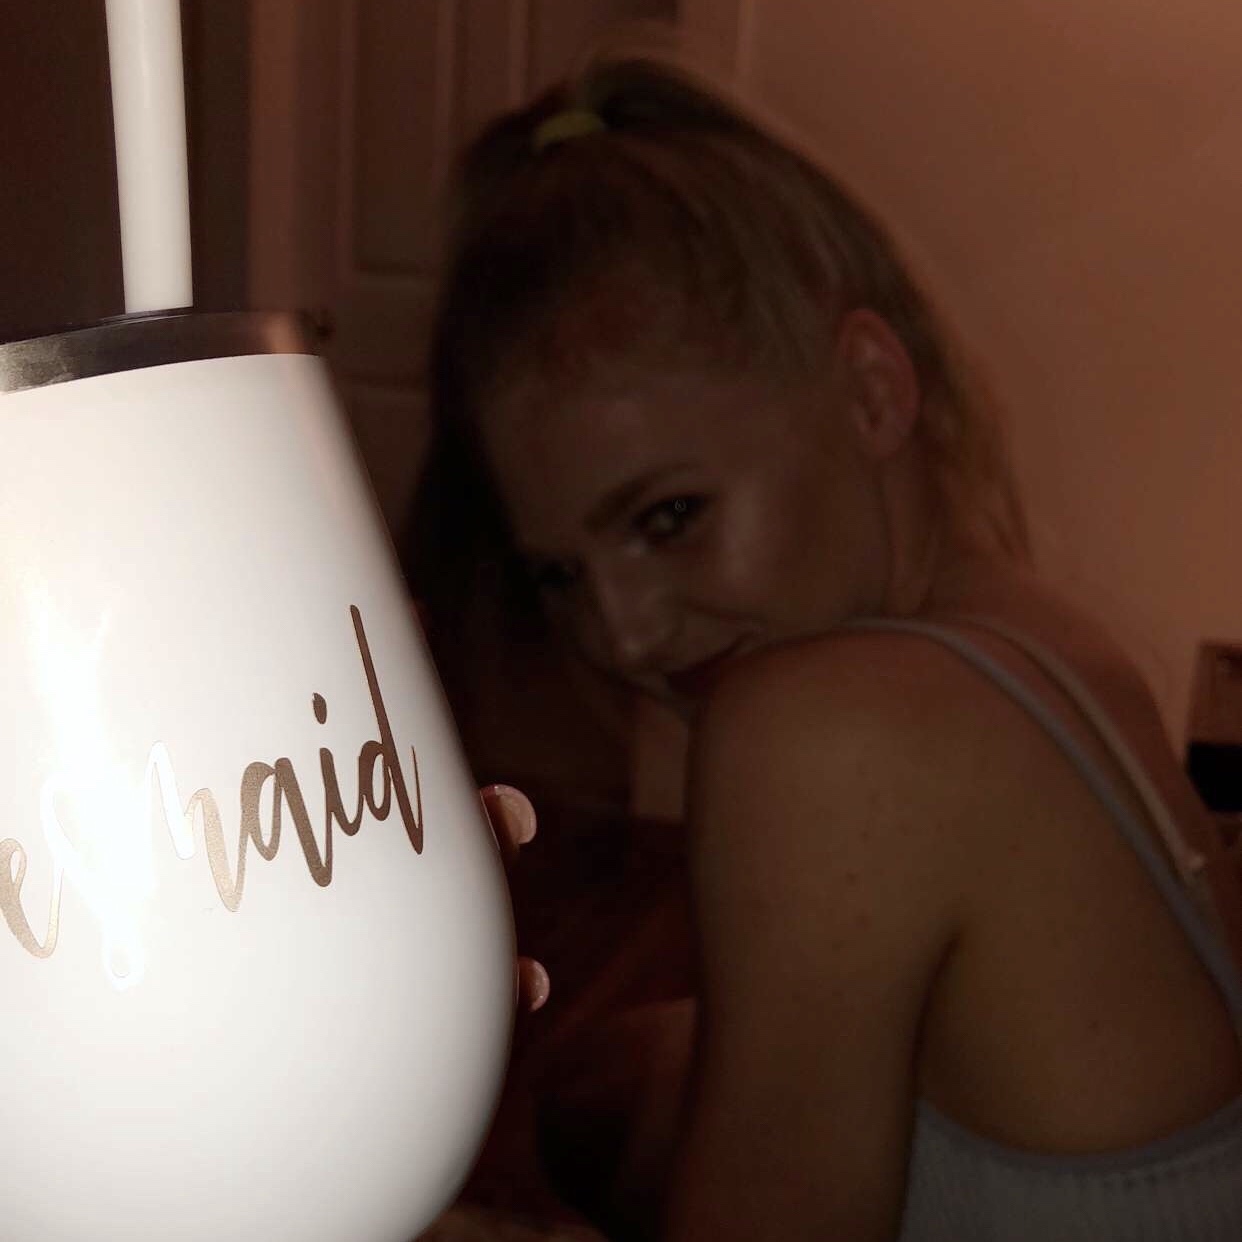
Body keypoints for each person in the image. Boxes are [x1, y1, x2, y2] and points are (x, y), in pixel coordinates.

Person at [410, 35, 1242, 1242]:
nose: (623, 634)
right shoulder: (1040, 634)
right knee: (598, 1089)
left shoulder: (826, 734)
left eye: (669, 517)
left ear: (869, 390)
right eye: (561, 575)